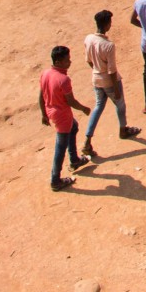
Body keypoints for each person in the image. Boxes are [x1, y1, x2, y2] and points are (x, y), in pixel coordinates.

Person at [82, 11, 139, 161]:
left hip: (96, 78)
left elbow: (89, 61)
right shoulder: (108, 45)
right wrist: (115, 89)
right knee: (120, 105)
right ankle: (123, 129)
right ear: (107, 24)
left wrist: (97, 71)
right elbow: (112, 71)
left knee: (98, 107)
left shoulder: (88, 39)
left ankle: (88, 139)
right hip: (108, 80)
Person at [39, 45, 92, 191]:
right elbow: (71, 101)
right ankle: (55, 180)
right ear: (58, 62)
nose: (70, 62)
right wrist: (84, 108)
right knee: (60, 148)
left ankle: (74, 159)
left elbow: (41, 95)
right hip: (62, 115)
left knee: (74, 127)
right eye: (66, 60)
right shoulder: (64, 79)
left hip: (52, 111)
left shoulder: (45, 73)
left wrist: (44, 114)